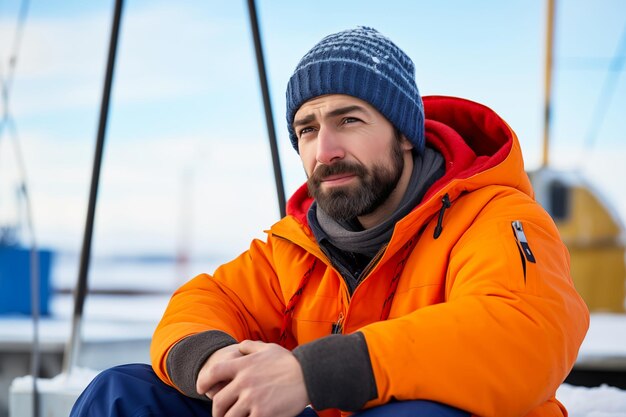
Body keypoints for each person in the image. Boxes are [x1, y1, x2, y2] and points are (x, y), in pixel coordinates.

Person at [70, 26, 589, 417]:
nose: (327, 150)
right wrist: (213, 362)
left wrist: (312, 373)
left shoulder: (495, 218)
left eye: (349, 120)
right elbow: (207, 300)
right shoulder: (295, 246)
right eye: (307, 129)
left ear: (406, 134)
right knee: (121, 393)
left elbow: (521, 334)